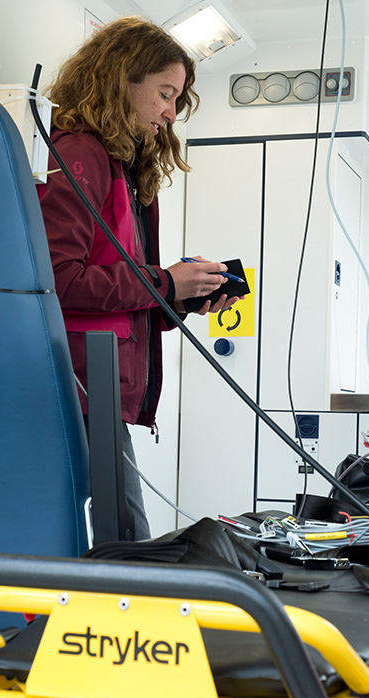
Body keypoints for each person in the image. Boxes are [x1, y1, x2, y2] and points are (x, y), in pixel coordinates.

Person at [38, 16, 237, 540]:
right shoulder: (79, 153)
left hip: (100, 387)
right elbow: (58, 282)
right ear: (121, 79)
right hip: (80, 384)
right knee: (128, 545)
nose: (171, 113)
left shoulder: (122, 165)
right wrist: (165, 284)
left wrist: (181, 297)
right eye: (165, 94)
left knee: (120, 538)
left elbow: (121, 286)